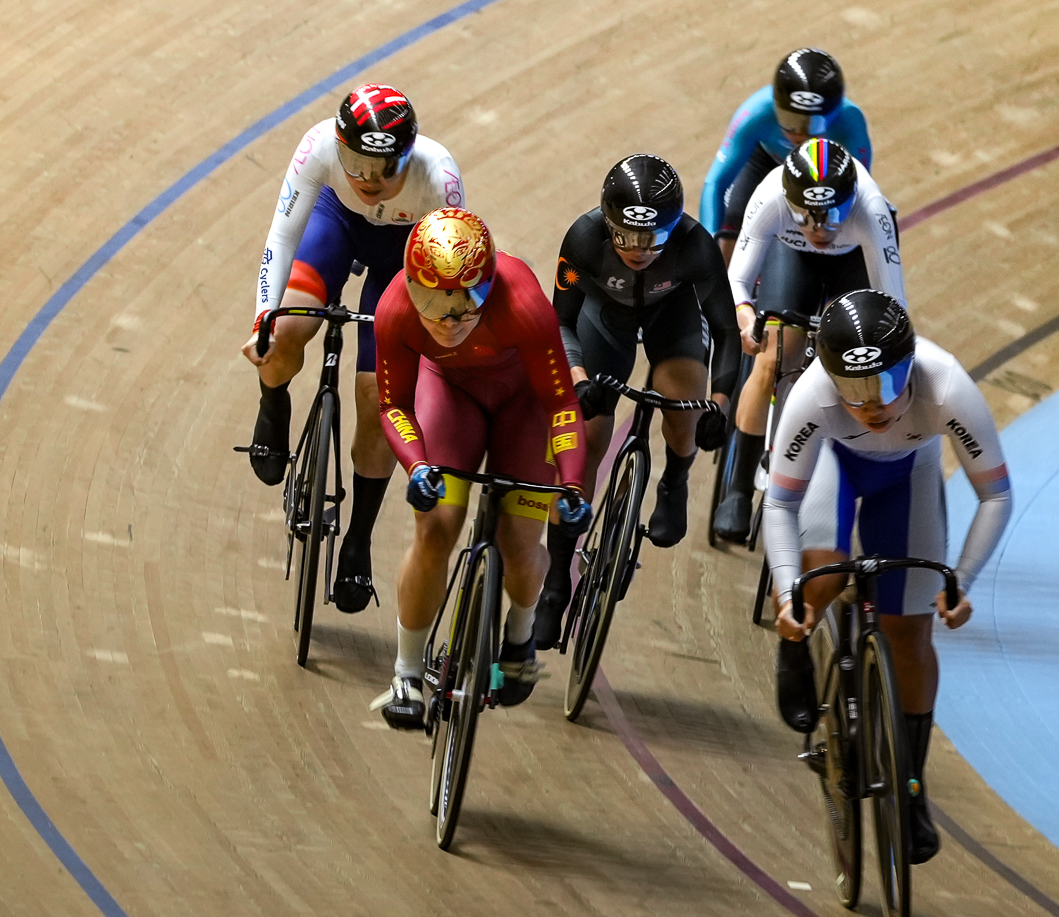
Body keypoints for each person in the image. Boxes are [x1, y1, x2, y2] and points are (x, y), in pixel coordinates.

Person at [762, 290, 1012, 861]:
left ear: (910, 366)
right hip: (834, 464)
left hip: (909, 473)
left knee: (910, 631)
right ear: (831, 378)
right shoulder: (812, 398)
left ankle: (911, 781)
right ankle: (795, 646)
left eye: (885, 383)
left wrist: (960, 582)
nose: (871, 404)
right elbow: (779, 506)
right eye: (853, 390)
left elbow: (995, 495)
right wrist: (786, 594)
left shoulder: (945, 385)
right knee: (818, 583)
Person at [241, 83, 464, 614]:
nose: (368, 179)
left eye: (383, 168)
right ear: (338, 147)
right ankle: (274, 404)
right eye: (355, 162)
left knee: (376, 398)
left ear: (407, 157)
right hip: (334, 224)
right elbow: (282, 236)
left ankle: (358, 539)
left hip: (403, 252)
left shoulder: (439, 177)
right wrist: (264, 321)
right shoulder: (318, 145)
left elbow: (446, 273)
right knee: (287, 331)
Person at [371, 207, 593, 729]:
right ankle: (406, 673)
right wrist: (417, 466)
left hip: (526, 405)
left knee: (520, 543)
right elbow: (394, 405)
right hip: (451, 396)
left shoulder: (524, 304)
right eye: (433, 303)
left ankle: (519, 639)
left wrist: (573, 484)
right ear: (410, 287)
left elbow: (561, 406)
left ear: (489, 285)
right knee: (436, 529)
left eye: (467, 302)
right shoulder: (394, 311)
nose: (449, 320)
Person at [532, 155, 736, 648]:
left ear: (673, 228)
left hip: (674, 319)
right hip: (605, 323)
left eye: (652, 239)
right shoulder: (584, 238)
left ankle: (674, 479)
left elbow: (727, 331)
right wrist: (579, 380)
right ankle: (556, 584)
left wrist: (720, 405)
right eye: (627, 237)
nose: (639, 250)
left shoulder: (696, 247)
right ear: (607, 222)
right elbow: (559, 321)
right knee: (586, 443)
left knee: (682, 404)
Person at [712, 137, 903, 539]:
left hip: (852, 261)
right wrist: (747, 318)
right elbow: (738, 279)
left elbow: (891, 306)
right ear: (789, 199)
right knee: (773, 357)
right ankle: (739, 490)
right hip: (791, 257)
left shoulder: (872, 212)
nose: (819, 229)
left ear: (851, 202)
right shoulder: (769, 196)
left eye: (833, 216)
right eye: (807, 216)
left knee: (857, 363)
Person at [697, 48, 872, 265]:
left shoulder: (851, 121)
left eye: (812, 125)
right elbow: (716, 182)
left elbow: (860, 188)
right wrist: (709, 240)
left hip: (822, 174)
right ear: (775, 105)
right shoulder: (755, 113)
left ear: (834, 116)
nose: (799, 134)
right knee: (727, 239)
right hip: (765, 162)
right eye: (789, 120)